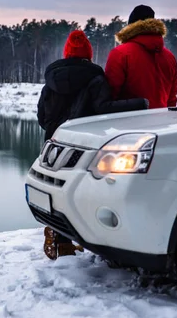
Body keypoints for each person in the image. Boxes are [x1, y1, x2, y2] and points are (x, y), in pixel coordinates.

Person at [36, 30, 149, 260]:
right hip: (83, 148)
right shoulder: (96, 79)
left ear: (66, 53)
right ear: (88, 53)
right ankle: (79, 237)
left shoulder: (51, 81)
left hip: (54, 145)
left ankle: (61, 239)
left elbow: (41, 117)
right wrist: (139, 104)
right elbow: (104, 109)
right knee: (79, 193)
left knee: (55, 188)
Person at [105, 5, 177, 108]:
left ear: (130, 27)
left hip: (129, 122)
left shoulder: (120, 54)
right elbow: (172, 100)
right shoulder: (169, 57)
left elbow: (110, 96)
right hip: (162, 121)